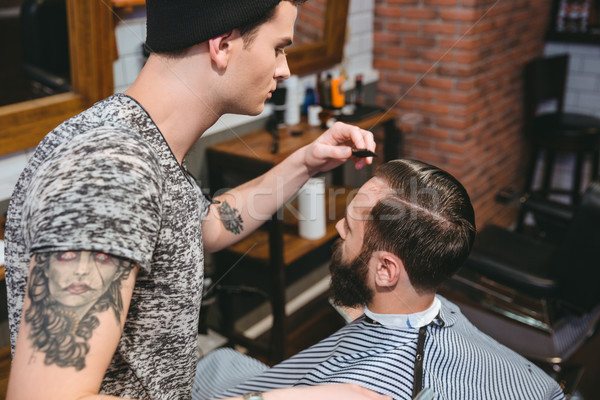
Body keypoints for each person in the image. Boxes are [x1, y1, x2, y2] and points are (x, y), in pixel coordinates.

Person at [4, 1, 391, 400]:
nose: (284, 69)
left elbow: (208, 224)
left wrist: (306, 162)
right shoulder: (109, 169)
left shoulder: (146, 140)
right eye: (278, 48)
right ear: (222, 45)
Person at [193, 159, 566, 400]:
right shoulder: (444, 314)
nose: (338, 227)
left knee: (217, 363)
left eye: (350, 228)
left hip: (225, 387)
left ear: (386, 271)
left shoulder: (364, 387)